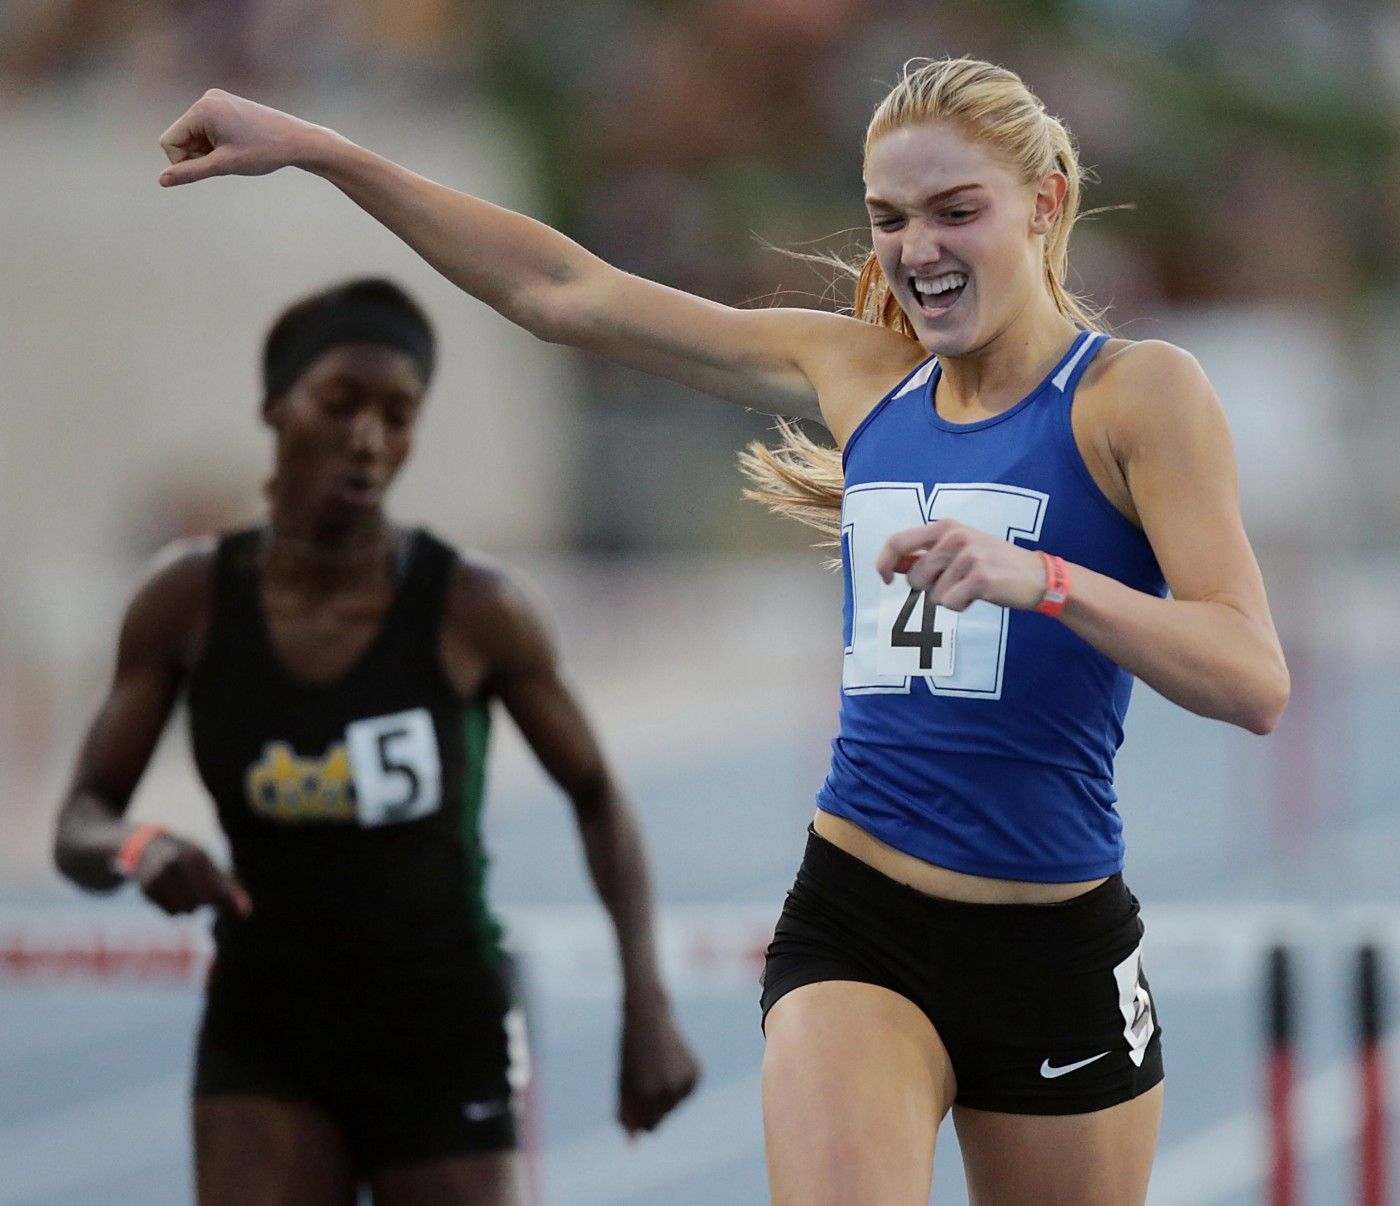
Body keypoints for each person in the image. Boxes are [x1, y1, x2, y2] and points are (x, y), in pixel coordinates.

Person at [151, 57, 1289, 1204]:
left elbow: (1249, 678)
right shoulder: (858, 374)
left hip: (1054, 946)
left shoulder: (1136, 397)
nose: (917, 250)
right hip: (861, 924)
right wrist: (323, 150)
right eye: (889, 220)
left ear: (1043, 203)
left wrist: (1043, 580)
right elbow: (563, 292)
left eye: (956, 211)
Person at [53, 277, 700, 1206]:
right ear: (277, 408)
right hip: (266, 1025)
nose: (369, 437)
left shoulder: (476, 608)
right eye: (341, 402)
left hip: (442, 1024)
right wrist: (135, 845)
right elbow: (80, 820)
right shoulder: (187, 602)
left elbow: (598, 794)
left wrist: (648, 1006)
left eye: (399, 415)